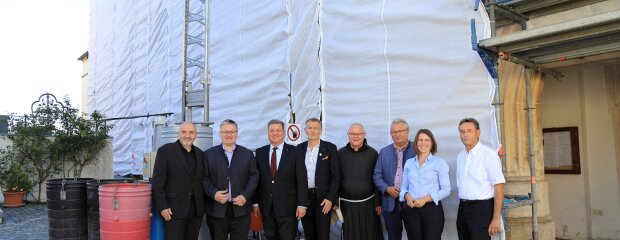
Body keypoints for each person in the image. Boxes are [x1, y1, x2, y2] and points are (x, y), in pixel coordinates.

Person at [203, 119, 259, 240]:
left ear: (237, 133)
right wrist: (214, 194)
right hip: (216, 209)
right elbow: (203, 178)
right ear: (220, 134)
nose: (228, 135)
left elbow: (254, 177)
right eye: (225, 132)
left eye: (232, 132)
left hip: (241, 209)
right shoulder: (208, 154)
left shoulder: (247, 154)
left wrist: (245, 195)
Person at [253, 119, 308, 240]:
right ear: (268, 133)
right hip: (267, 207)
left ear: (283, 133)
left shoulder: (295, 151)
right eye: (271, 130)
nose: (275, 133)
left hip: (289, 207)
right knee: (270, 237)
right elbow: (256, 180)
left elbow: (302, 179)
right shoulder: (260, 152)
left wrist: (302, 204)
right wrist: (255, 202)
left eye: (278, 130)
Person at [152, 121, 205, 240]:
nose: (187, 135)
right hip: (172, 211)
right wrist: (162, 206)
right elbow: (157, 182)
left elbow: (201, 181)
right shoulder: (165, 151)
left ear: (195, 135)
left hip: (196, 211)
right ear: (178, 134)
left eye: (191, 132)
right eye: (184, 132)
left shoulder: (200, 154)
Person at [456, 118, 505, 240]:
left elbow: (499, 187)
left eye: (469, 131)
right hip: (462, 208)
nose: (465, 134)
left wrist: (496, 218)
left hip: (481, 209)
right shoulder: (461, 155)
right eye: (462, 131)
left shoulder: (489, 155)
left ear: (478, 133)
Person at [400, 129, 451, 240]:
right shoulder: (409, 163)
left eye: (427, 140)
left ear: (432, 143)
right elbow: (403, 187)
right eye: (420, 140)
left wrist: (425, 199)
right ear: (416, 142)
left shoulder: (439, 163)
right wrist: (406, 196)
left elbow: (446, 189)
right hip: (411, 209)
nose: (423, 143)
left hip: (432, 210)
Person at [338, 123, 383, 240]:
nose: (356, 136)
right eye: (353, 134)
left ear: (364, 135)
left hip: (368, 204)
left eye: (359, 134)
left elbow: (377, 178)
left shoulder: (373, 154)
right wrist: (334, 201)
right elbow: (335, 179)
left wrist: (378, 202)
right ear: (348, 135)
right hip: (347, 205)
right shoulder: (340, 154)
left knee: (369, 234)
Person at [373, 119, 416, 240]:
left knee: (414, 235)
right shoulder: (384, 152)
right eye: (394, 131)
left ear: (407, 132)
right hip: (390, 202)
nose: (397, 134)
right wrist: (386, 188)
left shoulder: (417, 149)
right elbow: (376, 175)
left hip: (411, 202)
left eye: (400, 131)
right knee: (393, 236)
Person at [298, 118, 340, 240]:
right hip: (305, 198)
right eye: (309, 128)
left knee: (322, 234)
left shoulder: (330, 148)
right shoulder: (299, 149)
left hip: (323, 199)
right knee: (309, 233)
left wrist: (330, 198)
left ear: (320, 130)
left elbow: (336, 176)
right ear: (305, 130)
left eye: (315, 128)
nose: (312, 130)